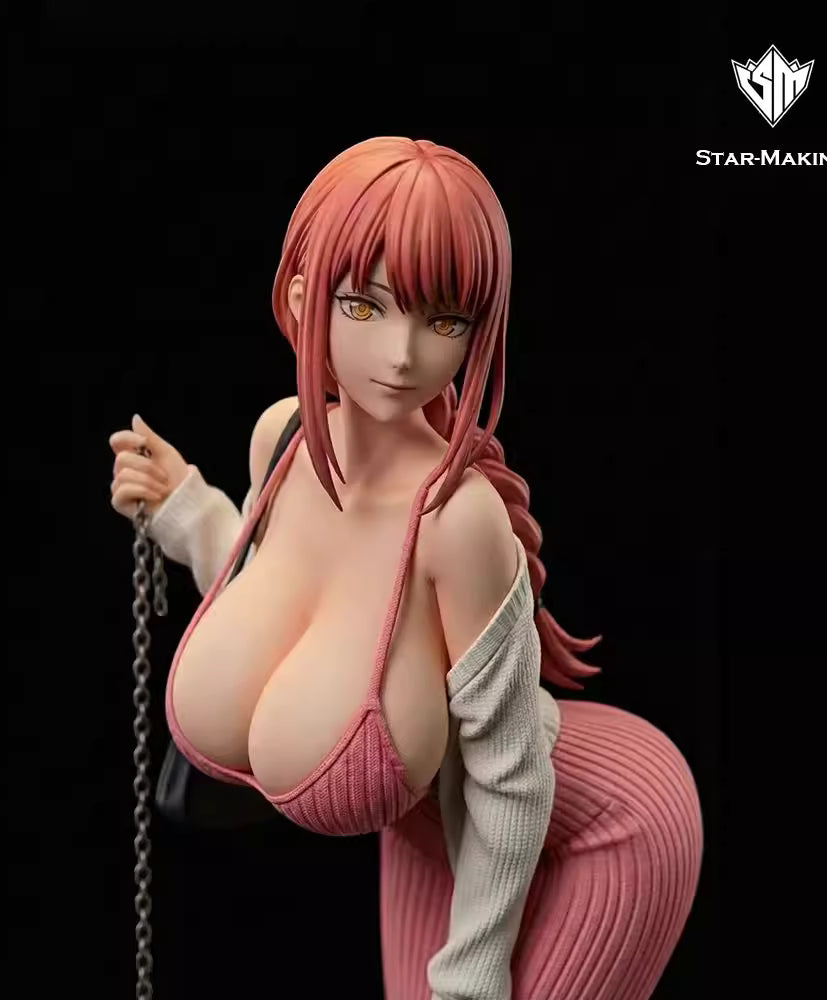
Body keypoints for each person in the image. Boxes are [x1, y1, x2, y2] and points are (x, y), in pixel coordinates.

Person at [108, 136, 703, 1000]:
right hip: (433, 831)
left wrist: (474, 971)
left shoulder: (458, 522)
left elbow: (508, 776)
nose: (401, 354)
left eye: (444, 320)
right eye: (365, 305)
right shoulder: (285, 439)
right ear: (304, 296)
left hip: (602, 824)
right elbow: (294, 608)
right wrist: (189, 512)